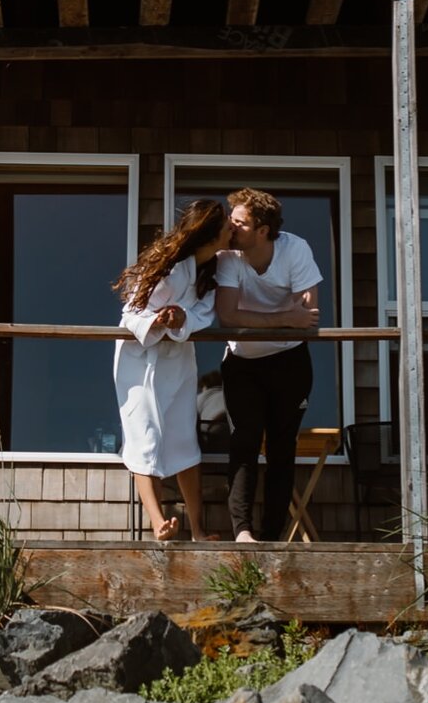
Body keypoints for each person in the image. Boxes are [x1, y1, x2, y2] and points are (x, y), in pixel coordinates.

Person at [212, 186, 324, 542]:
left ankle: (273, 536)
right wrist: (282, 319)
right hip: (242, 363)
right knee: (243, 443)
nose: (231, 228)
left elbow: (306, 316)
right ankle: (243, 532)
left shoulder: (295, 249)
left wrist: (281, 320)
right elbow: (227, 316)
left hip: (289, 361)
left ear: (263, 230)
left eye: (240, 223)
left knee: (281, 448)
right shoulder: (228, 256)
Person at [111, 199, 227, 541]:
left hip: (176, 358)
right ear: (209, 235)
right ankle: (157, 522)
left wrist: (182, 320)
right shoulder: (167, 269)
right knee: (143, 434)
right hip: (139, 359)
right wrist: (158, 321)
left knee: (182, 438)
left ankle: (199, 531)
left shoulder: (211, 271)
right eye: (226, 229)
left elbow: (204, 315)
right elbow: (132, 313)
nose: (231, 232)